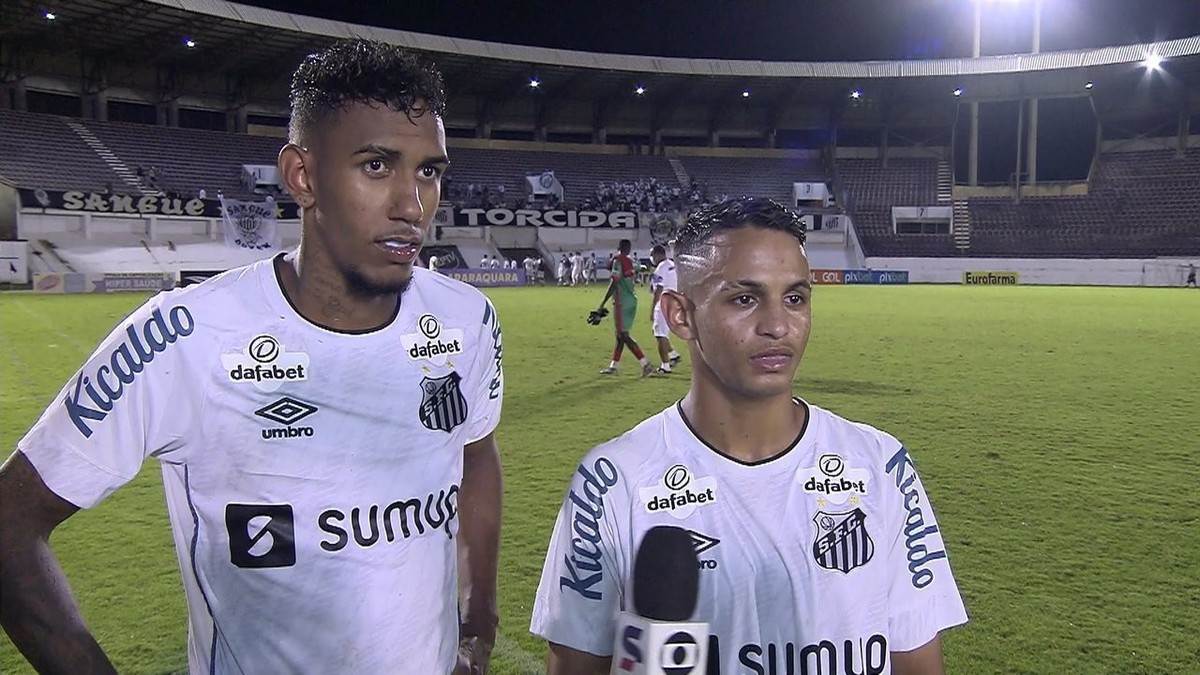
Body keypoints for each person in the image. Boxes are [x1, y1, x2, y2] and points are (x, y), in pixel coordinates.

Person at [0, 40, 503, 675]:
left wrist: (478, 616)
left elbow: (476, 451)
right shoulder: (182, 336)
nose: (411, 205)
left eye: (428, 170)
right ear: (302, 176)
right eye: (377, 166)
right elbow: (9, 523)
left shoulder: (467, 318)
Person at [531, 197, 967, 674]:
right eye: (745, 298)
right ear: (680, 316)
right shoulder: (613, 482)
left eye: (795, 298)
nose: (778, 326)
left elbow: (918, 661)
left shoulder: (881, 466)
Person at [594, 239, 654, 377]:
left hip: (621, 302)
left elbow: (614, 282)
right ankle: (614, 366)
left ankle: (646, 364)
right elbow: (641, 268)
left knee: (623, 335)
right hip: (632, 300)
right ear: (629, 249)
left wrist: (602, 303)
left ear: (618, 248)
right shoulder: (631, 261)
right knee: (620, 335)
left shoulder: (618, 261)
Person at [647, 244, 682, 374]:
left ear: (657, 254)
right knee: (661, 331)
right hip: (675, 302)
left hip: (663, 303)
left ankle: (665, 366)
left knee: (659, 334)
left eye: (652, 255)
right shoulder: (673, 265)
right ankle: (673, 355)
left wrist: (652, 309)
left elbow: (659, 289)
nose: (651, 258)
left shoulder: (659, 269)